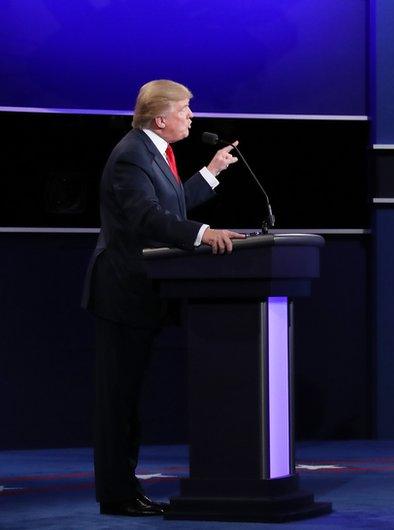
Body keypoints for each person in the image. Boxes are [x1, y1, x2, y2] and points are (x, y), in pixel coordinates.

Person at [81, 80, 245, 516]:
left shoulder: (153, 152)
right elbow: (147, 218)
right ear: (161, 118)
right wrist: (204, 233)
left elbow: (169, 206)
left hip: (142, 294)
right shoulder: (132, 156)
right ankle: (117, 495)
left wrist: (211, 171)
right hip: (122, 293)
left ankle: (123, 489)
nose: (191, 116)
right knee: (118, 402)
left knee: (130, 400)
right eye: (186, 109)